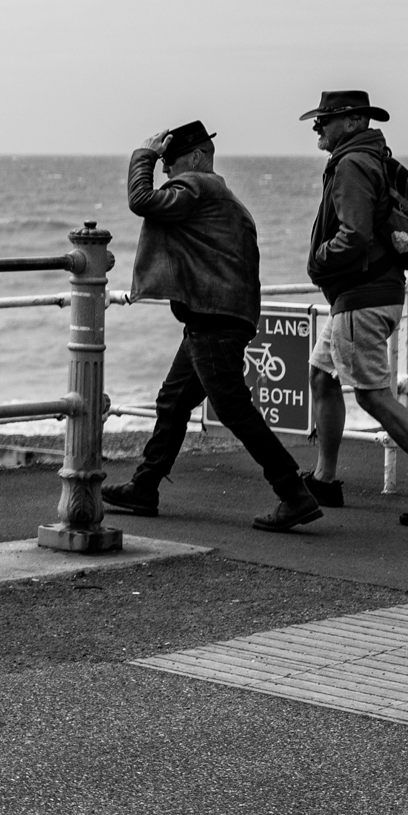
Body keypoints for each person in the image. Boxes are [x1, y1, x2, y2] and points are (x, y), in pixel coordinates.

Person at [103, 121, 324, 532]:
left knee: (233, 409)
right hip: (213, 317)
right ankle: (144, 487)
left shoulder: (197, 187)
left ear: (197, 157)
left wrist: (145, 154)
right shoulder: (221, 196)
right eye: (162, 161)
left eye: (171, 160)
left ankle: (294, 493)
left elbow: (142, 200)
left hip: (213, 320)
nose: (166, 168)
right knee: (172, 402)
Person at [299, 89, 408, 527]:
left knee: (373, 395)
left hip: (362, 297)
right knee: (322, 375)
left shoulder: (353, 164)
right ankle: (324, 479)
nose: (318, 126)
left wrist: (318, 260)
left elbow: (354, 235)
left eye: (326, 119)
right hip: (369, 294)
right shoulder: (370, 157)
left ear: (354, 122)